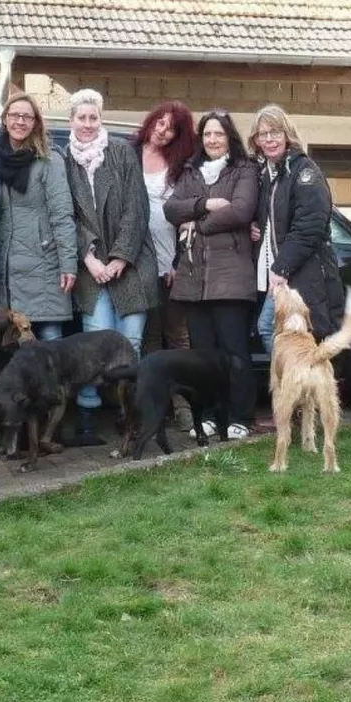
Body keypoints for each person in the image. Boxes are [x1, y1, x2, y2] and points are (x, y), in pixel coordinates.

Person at [62, 88, 160, 445]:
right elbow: (67, 215)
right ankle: (88, 416)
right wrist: (89, 259)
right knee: (94, 347)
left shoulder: (120, 152)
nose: (87, 124)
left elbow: (137, 209)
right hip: (90, 267)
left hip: (131, 264)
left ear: (100, 119)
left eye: (93, 117)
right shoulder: (64, 160)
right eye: (81, 117)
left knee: (130, 342)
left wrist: (119, 257)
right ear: (70, 120)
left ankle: (129, 415)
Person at [165, 108, 260, 439]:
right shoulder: (190, 172)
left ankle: (240, 416)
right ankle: (208, 416)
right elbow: (170, 209)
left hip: (231, 278)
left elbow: (241, 210)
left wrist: (198, 224)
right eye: (207, 134)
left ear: (229, 136)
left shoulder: (245, 170)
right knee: (203, 357)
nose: (213, 139)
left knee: (234, 353)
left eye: (219, 133)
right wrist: (205, 205)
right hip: (193, 280)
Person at [248, 103, 344, 355]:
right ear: (256, 140)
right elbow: (274, 218)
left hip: (306, 274)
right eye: (262, 134)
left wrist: (281, 268)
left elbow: (308, 227)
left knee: (297, 335)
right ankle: (294, 385)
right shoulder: (270, 173)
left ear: (287, 133)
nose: (269, 139)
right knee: (283, 333)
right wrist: (256, 226)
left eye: (275, 132)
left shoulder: (304, 171)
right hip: (285, 275)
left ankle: (295, 384)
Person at [0, 91, 76, 341]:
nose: (20, 121)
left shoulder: (49, 161)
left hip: (44, 266)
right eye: (15, 115)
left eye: (27, 117)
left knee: (50, 342)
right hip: (5, 267)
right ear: (5, 120)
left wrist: (69, 263)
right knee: (12, 348)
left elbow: (62, 216)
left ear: (36, 122)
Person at [134, 101, 197, 353]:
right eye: (160, 123)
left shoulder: (181, 164)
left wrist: (178, 262)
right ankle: (153, 391)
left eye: (171, 129)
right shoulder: (129, 152)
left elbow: (188, 215)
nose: (162, 131)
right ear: (151, 121)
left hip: (170, 257)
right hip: (138, 257)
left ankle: (182, 392)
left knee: (176, 333)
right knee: (148, 332)